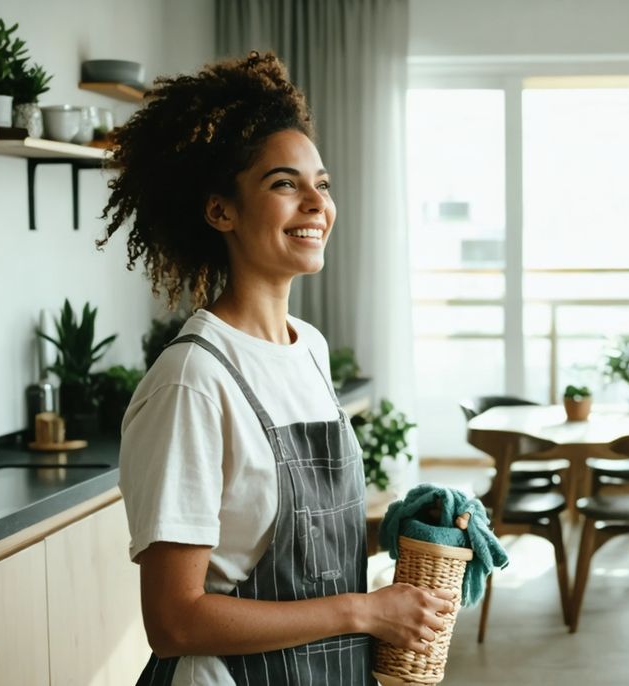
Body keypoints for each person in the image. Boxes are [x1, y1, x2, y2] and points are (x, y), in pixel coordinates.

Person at [98, 51, 453, 685]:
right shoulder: (193, 381)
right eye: (285, 184)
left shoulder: (307, 349)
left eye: (323, 183)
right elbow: (174, 621)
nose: (316, 203)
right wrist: (363, 611)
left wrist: (405, 529)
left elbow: (296, 554)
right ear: (220, 211)